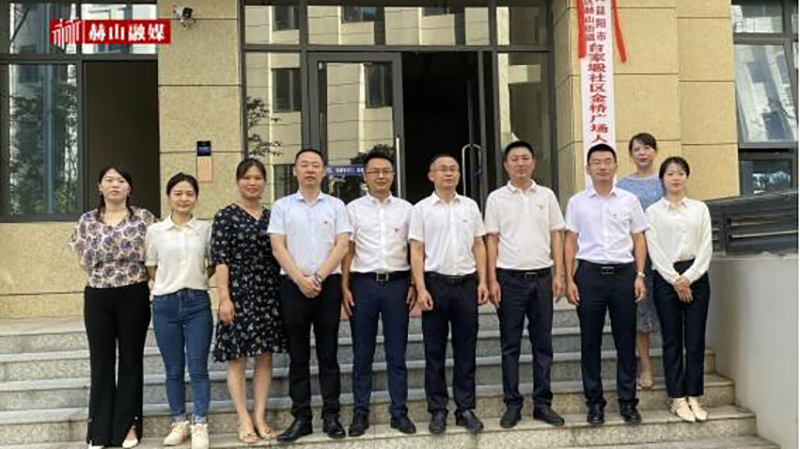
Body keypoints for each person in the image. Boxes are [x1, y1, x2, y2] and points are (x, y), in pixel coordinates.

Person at [68, 165, 155, 449]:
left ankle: (128, 426)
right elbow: (83, 259)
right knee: (101, 361)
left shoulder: (144, 218)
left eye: (120, 180)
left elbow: (154, 256)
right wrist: (105, 276)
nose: (114, 185)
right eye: (109, 180)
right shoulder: (87, 220)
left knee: (131, 360)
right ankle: (99, 430)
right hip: (98, 295)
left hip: (134, 293)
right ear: (99, 186)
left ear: (130, 188)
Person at [269, 148, 352, 443]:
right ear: (294, 171)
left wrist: (317, 278)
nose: (309, 170)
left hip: (327, 285)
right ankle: (301, 418)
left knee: (328, 354)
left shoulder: (337, 206)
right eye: (303, 165)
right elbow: (278, 246)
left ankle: (331, 415)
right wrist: (300, 279)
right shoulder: (282, 206)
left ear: (324, 171)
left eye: (315, 165)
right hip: (293, 285)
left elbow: (342, 245)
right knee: (298, 356)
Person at [564, 144, 648, 426]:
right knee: (590, 341)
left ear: (615, 166)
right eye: (596, 162)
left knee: (625, 340)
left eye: (607, 161)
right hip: (589, 275)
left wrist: (640, 274)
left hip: (624, 275)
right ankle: (595, 403)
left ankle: (628, 402)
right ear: (588, 169)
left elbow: (638, 238)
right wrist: (569, 278)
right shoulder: (577, 202)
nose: (602, 166)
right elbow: (570, 241)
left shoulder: (629, 200)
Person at [485, 141, 566, 429]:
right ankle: (512, 403)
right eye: (514, 159)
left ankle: (542, 403)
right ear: (506, 165)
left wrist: (559, 274)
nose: (520, 163)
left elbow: (556, 235)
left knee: (543, 344)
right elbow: (491, 239)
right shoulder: (496, 198)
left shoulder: (546, 195)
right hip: (509, 280)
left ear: (533, 162)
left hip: (542, 278)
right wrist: (491, 279)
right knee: (510, 345)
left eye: (525, 158)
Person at [409, 154, 489, 435]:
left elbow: (479, 244)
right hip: (435, 284)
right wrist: (420, 288)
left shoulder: (470, 206)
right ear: (431, 175)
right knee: (434, 351)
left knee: (466, 350)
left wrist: (483, 281)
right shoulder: (421, 209)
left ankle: (465, 408)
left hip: (466, 284)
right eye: (442, 169)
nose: (448, 173)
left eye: (453, 169)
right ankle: (437, 410)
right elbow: (416, 250)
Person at [341, 150, 418, 436]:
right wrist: (344, 286)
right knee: (362, 352)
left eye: (386, 171)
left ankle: (399, 413)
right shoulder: (353, 209)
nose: (381, 176)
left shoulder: (407, 209)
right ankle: (360, 413)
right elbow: (347, 251)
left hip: (397, 285)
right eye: (374, 171)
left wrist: (414, 283)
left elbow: (415, 249)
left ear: (393, 175)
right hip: (363, 285)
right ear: (365, 176)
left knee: (397, 353)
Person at [211, 159, 287, 444]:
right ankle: (243, 418)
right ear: (237, 181)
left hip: (268, 293)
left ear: (265, 182)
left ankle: (260, 416)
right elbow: (221, 260)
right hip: (238, 294)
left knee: (265, 356)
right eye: (246, 177)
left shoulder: (273, 217)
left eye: (257, 178)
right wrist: (224, 298)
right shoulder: (225, 216)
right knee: (237, 358)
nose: (252, 182)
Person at [145, 173, 213, 449]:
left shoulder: (204, 229)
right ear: (169, 196)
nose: (184, 198)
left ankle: (200, 423)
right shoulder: (155, 231)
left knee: (198, 368)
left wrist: (196, 278)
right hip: (165, 305)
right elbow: (151, 265)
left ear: (196, 197)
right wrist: (169, 282)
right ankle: (179, 422)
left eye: (189, 193)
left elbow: (213, 263)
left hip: (197, 303)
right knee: (173, 369)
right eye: (178, 193)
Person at [646, 157, 712, 423]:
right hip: (666, 277)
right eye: (670, 173)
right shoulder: (653, 212)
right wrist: (676, 280)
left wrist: (689, 277)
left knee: (695, 338)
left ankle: (694, 395)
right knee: (672, 339)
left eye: (681, 173)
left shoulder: (700, 208)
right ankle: (677, 398)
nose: (676, 177)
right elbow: (654, 250)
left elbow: (706, 246)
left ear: (687, 177)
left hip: (697, 275)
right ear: (662, 179)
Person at [617, 132, 663, 390]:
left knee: (668, 309)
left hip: (665, 254)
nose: (642, 153)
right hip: (636, 257)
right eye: (637, 149)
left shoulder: (666, 179)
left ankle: (672, 364)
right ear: (631, 155)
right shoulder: (623, 185)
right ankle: (645, 365)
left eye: (647, 148)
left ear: (655, 151)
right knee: (640, 311)